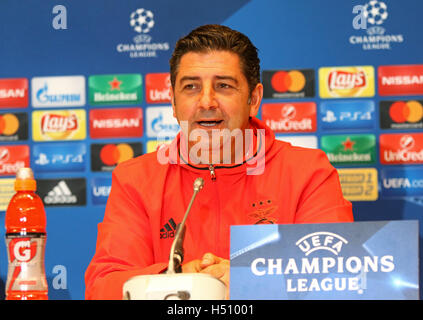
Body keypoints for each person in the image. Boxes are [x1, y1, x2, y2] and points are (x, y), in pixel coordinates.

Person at [85, 24, 354, 300]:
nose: (206, 101)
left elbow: (337, 280)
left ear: (254, 99)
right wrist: (176, 282)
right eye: (191, 87)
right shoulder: (136, 179)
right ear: (173, 102)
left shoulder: (308, 174)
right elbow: (104, 288)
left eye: (223, 86)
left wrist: (249, 282)